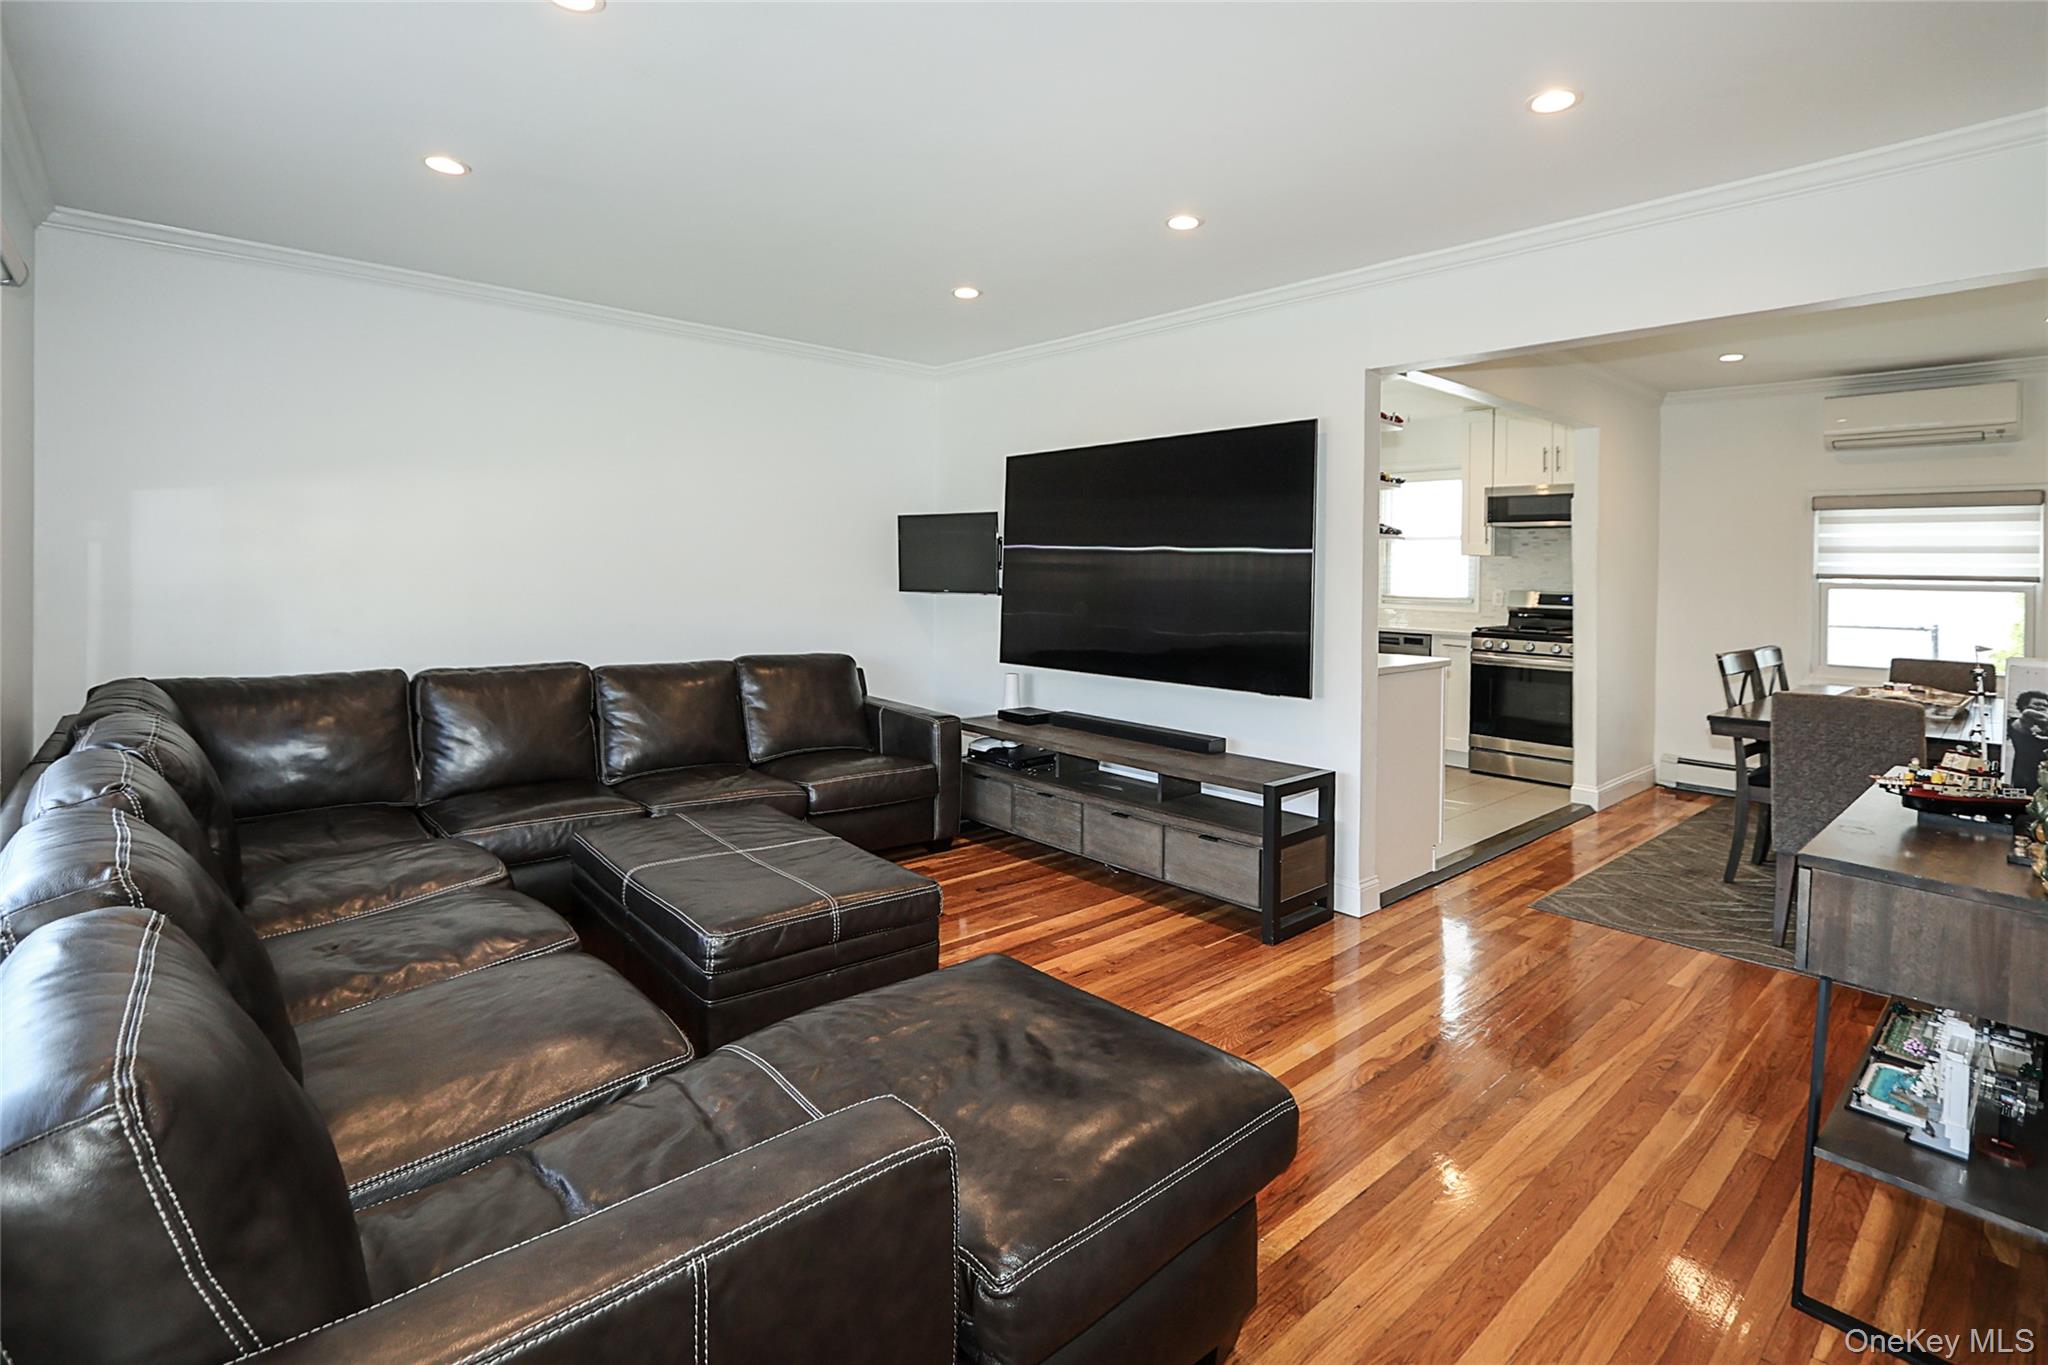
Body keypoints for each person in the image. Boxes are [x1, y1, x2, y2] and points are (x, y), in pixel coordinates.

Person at [2008, 690, 2048, 793]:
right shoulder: (2016, 723)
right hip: (2024, 780)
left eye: (2045, 705)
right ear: (2024, 706)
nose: (2042, 707)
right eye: (2037, 704)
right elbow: (2027, 716)